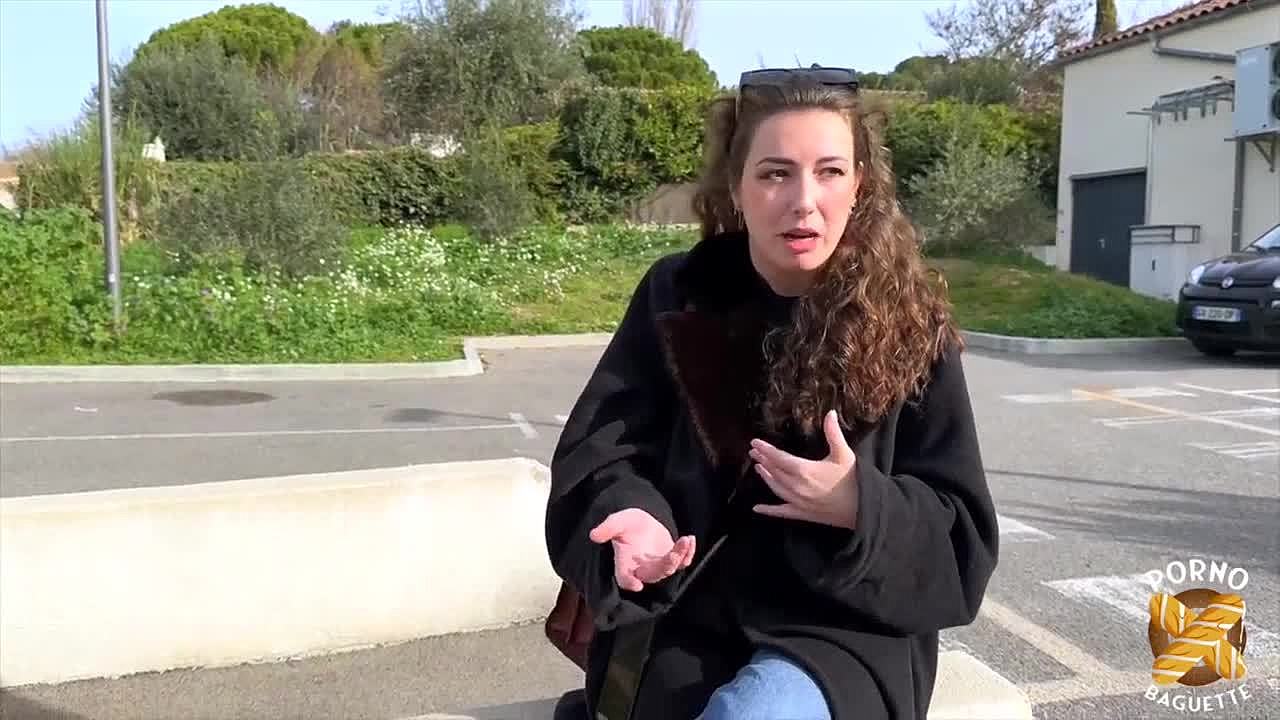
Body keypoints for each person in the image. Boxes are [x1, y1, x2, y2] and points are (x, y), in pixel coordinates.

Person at [544, 65, 999, 720]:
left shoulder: (910, 324)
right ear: (737, 186)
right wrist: (634, 516)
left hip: (841, 631)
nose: (804, 201)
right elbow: (604, 453)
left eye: (829, 172)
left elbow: (964, 542)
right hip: (689, 616)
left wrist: (860, 506)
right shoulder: (677, 294)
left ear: (860, 184)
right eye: (775, 173)